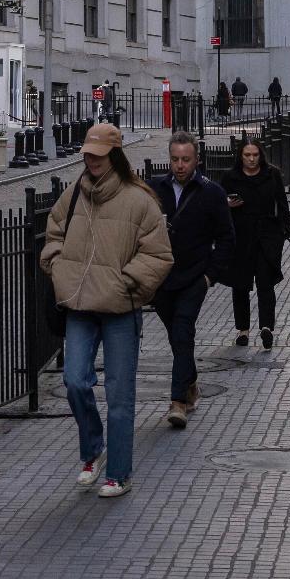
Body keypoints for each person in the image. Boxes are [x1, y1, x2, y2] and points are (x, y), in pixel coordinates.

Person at [40, 123, 170, 499]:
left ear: (114, 154)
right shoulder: (75, 195)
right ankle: (92, 450)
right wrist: (59, 267)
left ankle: (119, 472)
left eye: (98, 154)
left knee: (120, 394)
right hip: (79, 304)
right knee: (75, 381)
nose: (91, 160)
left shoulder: (139, 200)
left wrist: (127, 282)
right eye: (88, 153)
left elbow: (159, 254)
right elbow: (52, 234)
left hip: (119, 308)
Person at [145, 134, 235, 429]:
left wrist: (210, 276)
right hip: (160, 279)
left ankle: (177, 401)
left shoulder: (211, 192)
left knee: (182, 330)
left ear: (197, 160)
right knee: (177, 336)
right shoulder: (155, 189)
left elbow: (226, 238)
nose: (180, 165)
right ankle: (191, 380)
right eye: (175, 159)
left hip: (194, 278)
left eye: (185, 159)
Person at [220, 137, 290, 350]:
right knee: (240, 284)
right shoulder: (231, 177)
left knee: (265, 282)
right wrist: (227, 204)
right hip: (240, 236)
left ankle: (266, 327)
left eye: (255, 155)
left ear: (261, 155)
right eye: (247, 155)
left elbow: (282, 203)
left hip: (266, 236)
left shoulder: (272, 175)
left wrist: (283, 230)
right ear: (240, 157)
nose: (251, 159)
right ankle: (243, 329)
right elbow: (217, 202)